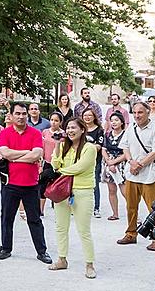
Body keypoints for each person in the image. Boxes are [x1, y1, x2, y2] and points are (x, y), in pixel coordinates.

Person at [0, 102, 51, 263]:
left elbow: (37, 155)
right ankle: (5, 248)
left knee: (34, 219)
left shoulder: (35, 133)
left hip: (31, 184)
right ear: (11, 116)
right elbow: (4, 153)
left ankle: (42, 251)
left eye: (24, 114)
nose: (21, 117)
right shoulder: (5, 133)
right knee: (7, 218)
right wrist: (27, 153)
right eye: (18, 114)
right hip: (10, 183)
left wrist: (14, 157)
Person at [49, 118, 97, 278]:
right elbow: (54, 164)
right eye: (68, 128)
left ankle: (89, 264)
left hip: (83, 191)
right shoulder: (63, 146)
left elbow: (81, 167)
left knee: (83, 230)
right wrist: (56, 145)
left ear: (82, 129)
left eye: (73, 127)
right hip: (62, 192)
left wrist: (62, 171)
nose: (70, 130)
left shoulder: (89, 148)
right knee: (61, 227)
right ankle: (62, 259)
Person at [118, 101, 155, 250]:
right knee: (131, 206)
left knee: (154, 208)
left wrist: (139, 165)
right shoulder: (130, 129)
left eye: (140, 112)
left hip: (149, 175)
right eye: (135, 113)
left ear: (147, 113)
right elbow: (124, 146)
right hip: (132, 174)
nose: (137, 115)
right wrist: (131, 162)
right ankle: (131, 233)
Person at [101, 113, 128, 221]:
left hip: (121, 163)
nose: (114, 122)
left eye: (116, 120)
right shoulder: (107, 135)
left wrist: (114, 163)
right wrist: (108, 161)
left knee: (125, 191)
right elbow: (103, 149)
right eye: (112, 120)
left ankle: (133, 214)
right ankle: (115, 213)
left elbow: (127, 152)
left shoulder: (126, 135)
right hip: (109, 162)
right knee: (111, 190)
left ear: (121, 122)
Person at [81, 108, 105, 218]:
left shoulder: (99, 130)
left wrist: (85, 147)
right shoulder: (80, 128)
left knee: (95, 184)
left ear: (94, 117)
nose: (87, 117)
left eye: (89, 115)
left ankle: (96, 208)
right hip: (80, 160)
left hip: (95, 161)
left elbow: (99, 146)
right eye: (85, 115)